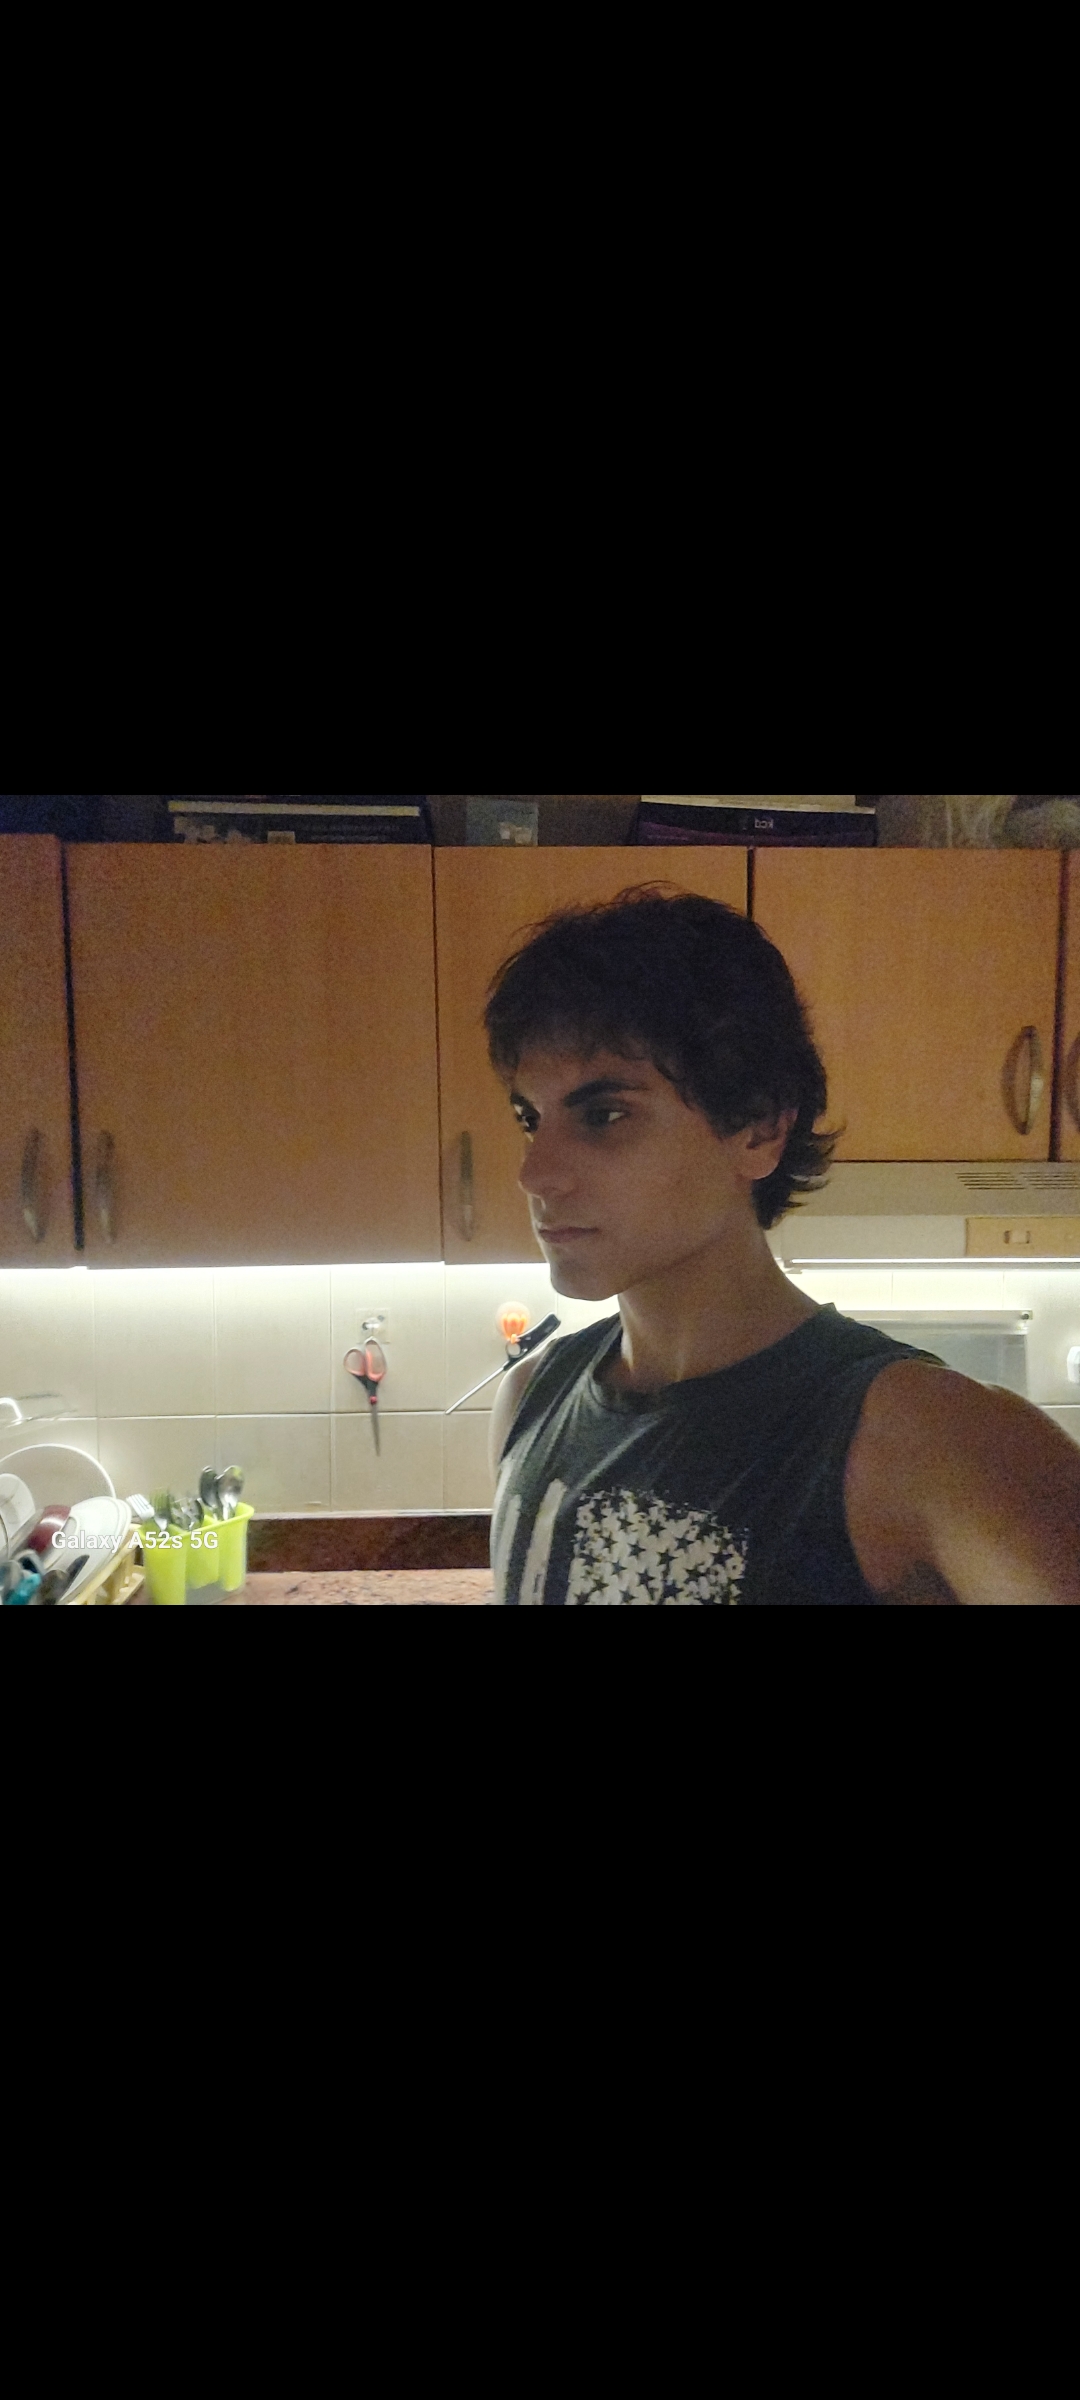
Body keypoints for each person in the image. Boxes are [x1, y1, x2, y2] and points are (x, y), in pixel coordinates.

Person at [484, 884, 1080, 1605]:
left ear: (759, 1128)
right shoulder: (530, 1399)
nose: (535, 1173)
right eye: (529, 1118)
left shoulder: (928, 1440)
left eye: (604, 1115)